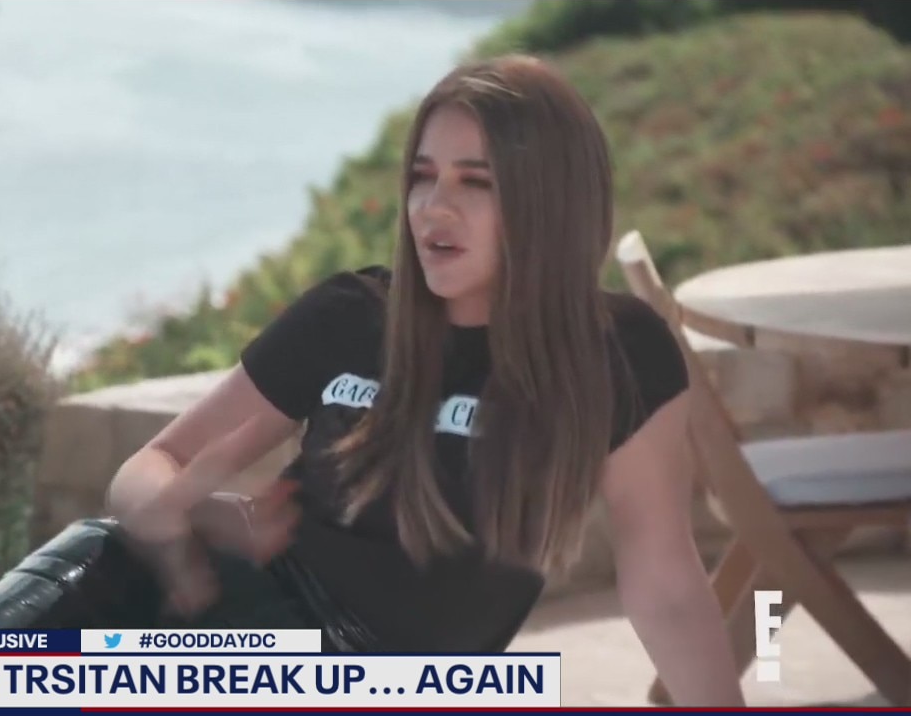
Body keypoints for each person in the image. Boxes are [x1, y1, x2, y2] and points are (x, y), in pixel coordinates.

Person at [105, 54, 745, 706]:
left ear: (549, 200)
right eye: (422, 176)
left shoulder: (620, 354)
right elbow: (149, 469)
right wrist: (181, 523)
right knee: (41, 645)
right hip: (221, 633)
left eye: (476, 182)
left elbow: (664, 585)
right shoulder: (348, 318)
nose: (434, 207)